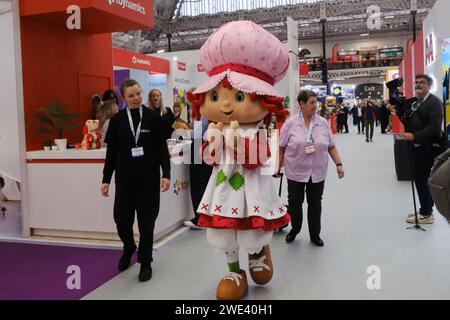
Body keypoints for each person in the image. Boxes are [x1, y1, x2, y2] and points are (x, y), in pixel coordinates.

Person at [186, 20, 290, 300]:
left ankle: (258, 253)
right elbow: (208, 160)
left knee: (251, 231)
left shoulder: (259, 129)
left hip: (252, 189)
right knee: (226, 233)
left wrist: (235, 142)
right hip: (223, 188)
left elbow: (258, 159)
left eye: (239, 95)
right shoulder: (214, 127)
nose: (225, 104)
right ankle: (234, 270)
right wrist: (215, 142)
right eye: (216, 95)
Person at [100, 79, 171, 282]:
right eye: (131, 95)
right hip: (124, 181)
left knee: (147, 223)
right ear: (124, 98)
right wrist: (106, 179)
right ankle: (129, 246)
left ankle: (145, 261)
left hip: (148, 181)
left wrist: (166, 174)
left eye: (138, 93)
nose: (136, 98)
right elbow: (111, 153)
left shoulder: (152, 117)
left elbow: (161, 150)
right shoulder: (117, 120)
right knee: (121, 220)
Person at [279, 90, 345, 246]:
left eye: (316, 102)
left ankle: (315, 234)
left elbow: (331, 146)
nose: (315, 106)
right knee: (295, 203)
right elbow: (281, 147)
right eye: (312, 102)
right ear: (301, 104)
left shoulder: (322, 122)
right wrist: (277, 166)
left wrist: (339, 164)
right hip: (295, 171)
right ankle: (295, 229)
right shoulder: (290, 123)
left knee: (315, 203)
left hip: (317, 171)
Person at [397, 74, 444, 224]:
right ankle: (426, 210)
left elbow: (435, 128)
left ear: (429, 85)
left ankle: (426, 213)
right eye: (416, 82)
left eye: (422, 83)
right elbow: (409, 122)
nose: (418, 85)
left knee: (421, 178)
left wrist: (415, 136)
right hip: (419, 146)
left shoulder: (434, 102)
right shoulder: (418, 103)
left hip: (429, 146)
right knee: (421, 178)